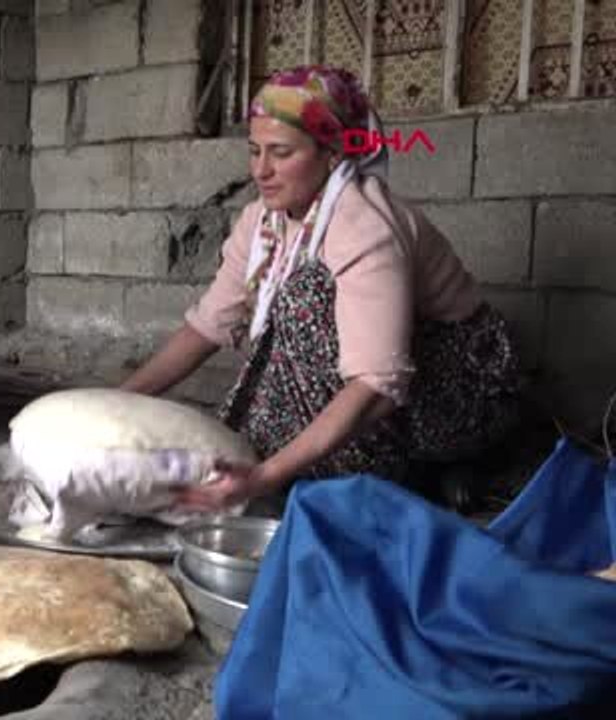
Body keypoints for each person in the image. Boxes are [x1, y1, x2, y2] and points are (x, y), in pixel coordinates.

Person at [121, 65, 521, 514]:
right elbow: (210, 325)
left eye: (281, 152)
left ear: (332, 154)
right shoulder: (263, 221)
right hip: (383, 388)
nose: (261, 170)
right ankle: (397, 469)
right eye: (254, 151)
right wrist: (118, 402)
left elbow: (377, 381)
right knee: (253, 421)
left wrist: (262, 477)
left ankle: (429, 466)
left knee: (306, 296)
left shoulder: (361, 223)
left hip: (454, 395)